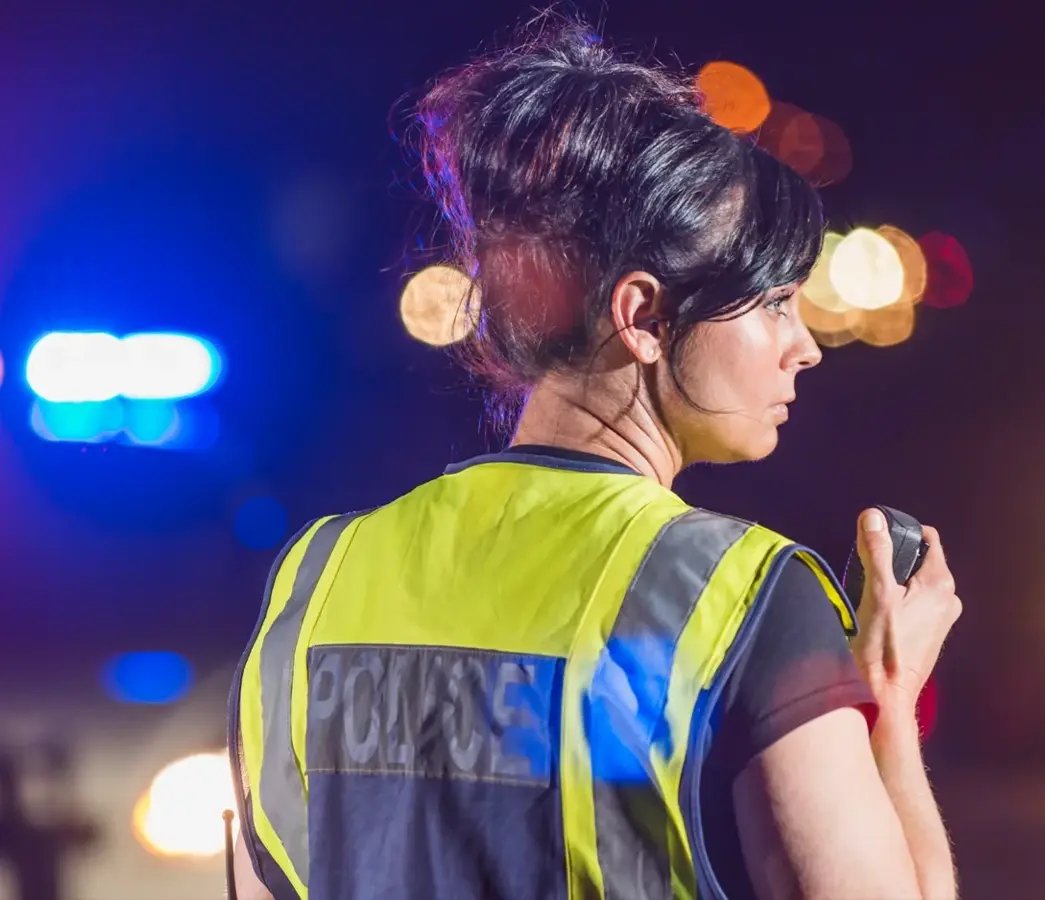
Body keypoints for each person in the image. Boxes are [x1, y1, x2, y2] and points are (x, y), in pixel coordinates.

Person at [229, 17, 962, 900]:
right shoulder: (748, 600)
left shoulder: (319, 579)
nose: (804, 346)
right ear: (644, 317)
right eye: (771, 304)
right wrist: (885, 698)